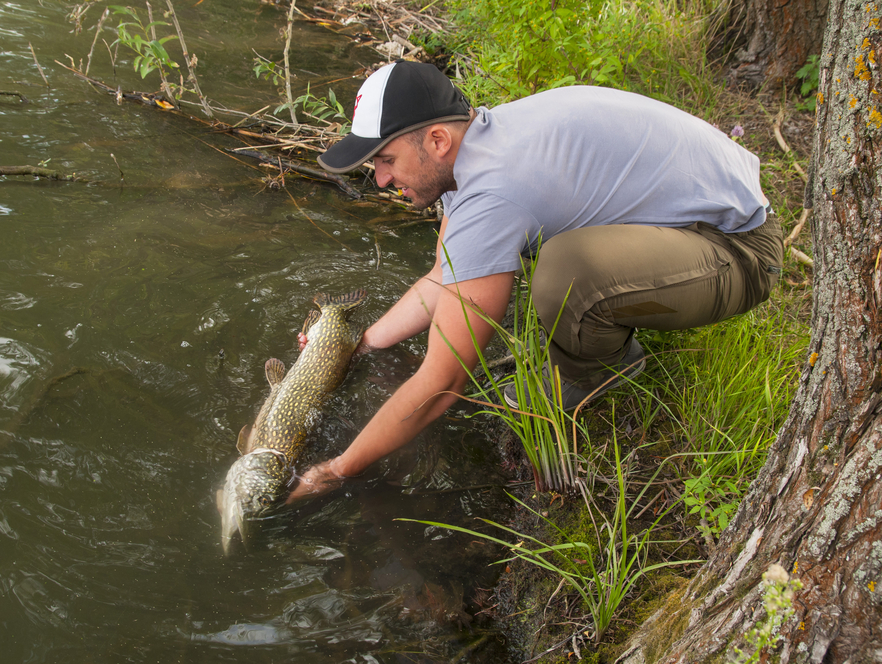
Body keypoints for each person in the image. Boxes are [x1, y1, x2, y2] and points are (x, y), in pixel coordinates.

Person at [286, 60, 783, 502]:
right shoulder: (477, 147)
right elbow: (443, 278)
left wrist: (336, 470)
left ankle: (599, 370)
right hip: (693, 222)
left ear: (436, 140)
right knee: (557, 266)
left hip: (738, 249)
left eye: (386, 160)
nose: (380, 180)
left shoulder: (494, 193)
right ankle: (596, 338)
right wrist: (360, 343)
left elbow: (445, 382)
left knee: (566, 274)